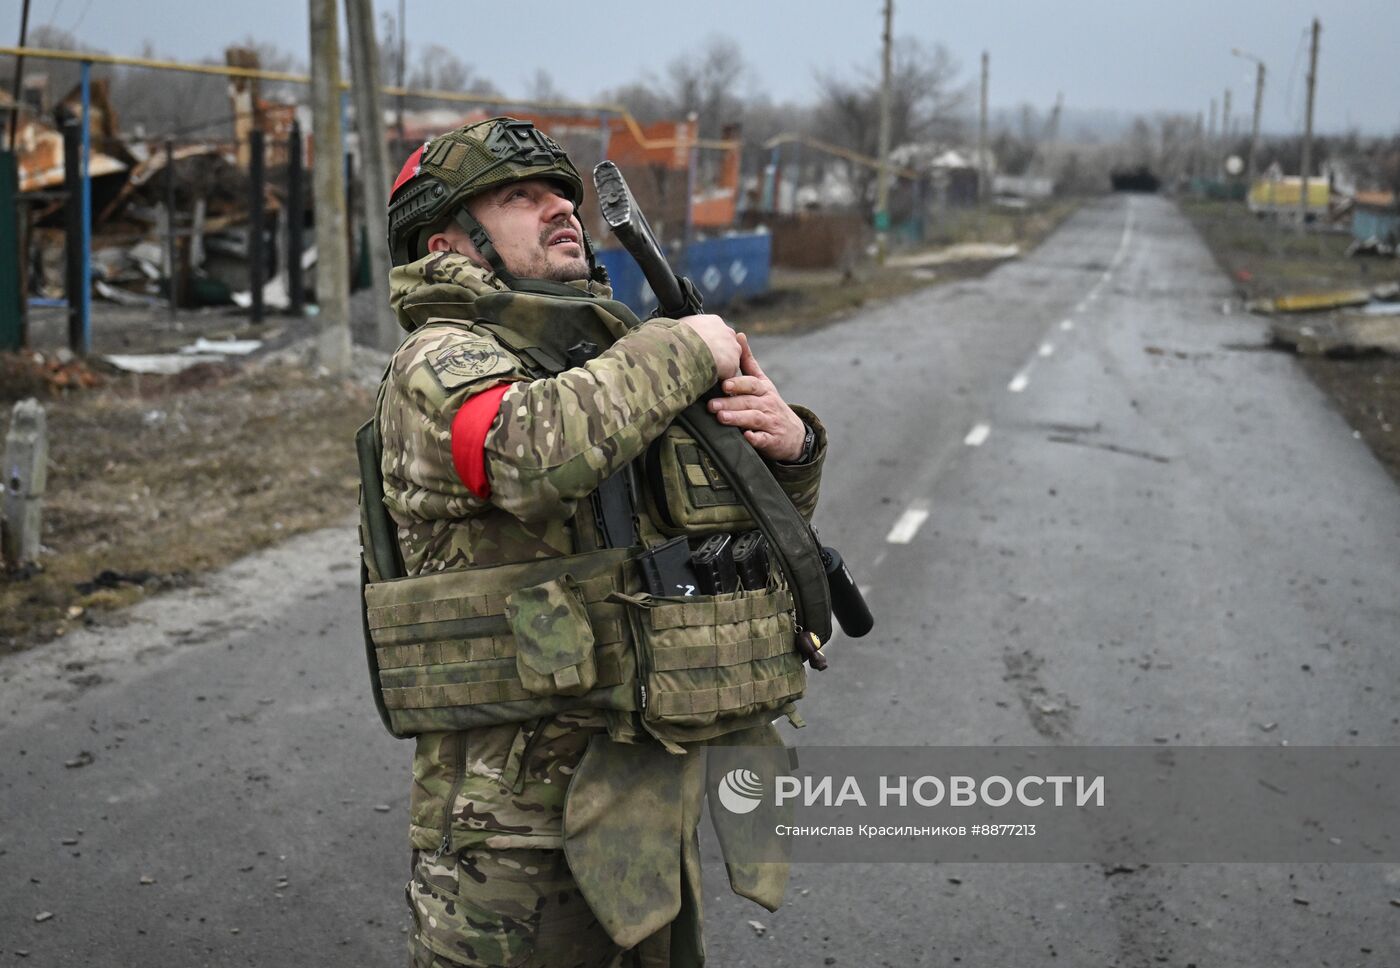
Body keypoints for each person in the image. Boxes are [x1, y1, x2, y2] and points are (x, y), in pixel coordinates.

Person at [362, 117, 827, 968]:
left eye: (564, 195)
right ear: (447, 244)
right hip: (510, 836)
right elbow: (528, 455)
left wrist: (788, 449)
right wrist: (684, 345)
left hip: (642, 800)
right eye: (519, 197)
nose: (561, 209)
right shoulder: (442, 361)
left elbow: (727, 532)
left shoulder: (604, 362)